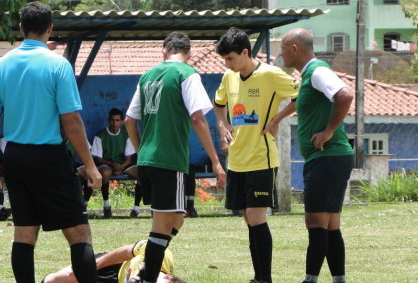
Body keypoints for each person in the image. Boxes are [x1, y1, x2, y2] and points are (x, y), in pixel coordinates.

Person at [0, 1, 102, 283]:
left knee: (24, 233)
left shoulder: (1, 66)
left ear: (21, 28)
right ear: (50, 28)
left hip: (15, 158)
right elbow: (71, 122)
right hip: (49, 158)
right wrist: (90, 164)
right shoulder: (58, 65)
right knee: (79, 233)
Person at [125, 31, 226, 283]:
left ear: (164, 50)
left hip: (147, 160)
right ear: (189, 53)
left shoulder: (147, 76)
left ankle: (146, 270)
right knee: (161, 225)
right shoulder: (186, 74)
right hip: (169, 160)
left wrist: (141, 151)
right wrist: (215, 160)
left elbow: (129, 121)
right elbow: (197, 117)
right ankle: (145, 278)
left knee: (176, 218)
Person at [213, 27, 299, 283]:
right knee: (248, 218)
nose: (227, 65)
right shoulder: (230, 77)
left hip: (262, 159)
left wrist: (278, 119)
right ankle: (258, 277)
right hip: (237, 160)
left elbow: (302, 94)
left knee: (256, 217)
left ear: (244, 52)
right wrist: (222, 126)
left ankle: (264, 278)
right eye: (224, 60)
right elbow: (218, 105)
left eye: (230, 59)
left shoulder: (271, 75)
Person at [277, 28, 354, 283]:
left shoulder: (317, 70)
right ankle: (338, 280)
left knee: (315, 222)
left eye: (283, 49)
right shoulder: (308, 75)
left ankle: (310, 280)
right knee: (330, 225)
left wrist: (329, 131)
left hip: (328, 158)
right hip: (327, 159)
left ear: (295, 49)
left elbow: (345, 95)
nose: (281, 54)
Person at [41, 240, 186, 283]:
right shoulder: (161, 254)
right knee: (58, 279)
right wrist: (95, 265)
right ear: (168, 277)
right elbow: (125, 251)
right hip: (114, 264)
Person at [89, 108, 138, 218]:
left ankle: (136, 209)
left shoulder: (126, 135)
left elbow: (128, 159)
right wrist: (113, 164)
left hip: (122, 165)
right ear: (108, 120)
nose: (114, 123)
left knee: (142, 173)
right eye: (112, 120)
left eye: (117, 120)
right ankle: (107, 207)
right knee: (105, 172)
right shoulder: (100, 135)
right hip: (107, 165)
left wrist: (121, 167)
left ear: (121, 121)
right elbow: (98, 159)